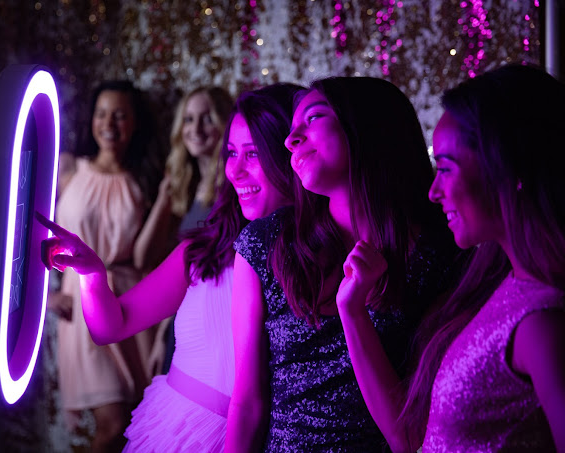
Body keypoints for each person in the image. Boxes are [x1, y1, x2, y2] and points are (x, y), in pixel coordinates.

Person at [39, 83, 301, 452]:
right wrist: (93, 276)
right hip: (175, 428)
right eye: (231, 153)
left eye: (254, 154)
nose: (235, 171)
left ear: (290, 156)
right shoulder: (200, 250)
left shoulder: (312, 260)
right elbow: (110, 326)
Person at [335, 64, 565, 452]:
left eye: (445, 168)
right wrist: (351, 310)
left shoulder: (543, 321)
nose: (433, 191)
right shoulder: (495, 283)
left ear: (509, 169)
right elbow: (408, 438)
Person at [225, 77, 461, 452]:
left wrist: (353, 312)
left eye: (314, 117)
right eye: (291, 129)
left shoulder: (439, 256)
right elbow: (247, 404)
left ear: (367, 129)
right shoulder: (265, 244)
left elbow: (408, 438)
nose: (291, 140)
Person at [48, 80, 164, 452]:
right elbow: (28, 231)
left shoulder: (144, 181)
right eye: (102, 113)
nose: (109, 123)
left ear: (134, 123)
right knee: (110, 424)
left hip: (131, 302)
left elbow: (154, 254)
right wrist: (46, 295)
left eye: (120, 115)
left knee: (134, 424)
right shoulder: (68, 170)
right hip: (81, 302)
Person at [133, 87, 233, 374]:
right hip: (183, 319)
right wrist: (162, 334)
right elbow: (165, 267)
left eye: (207, 119)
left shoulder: (233, 187)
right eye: (188, 120)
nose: (196, 129)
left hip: (214, 324)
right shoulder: (190, 188)